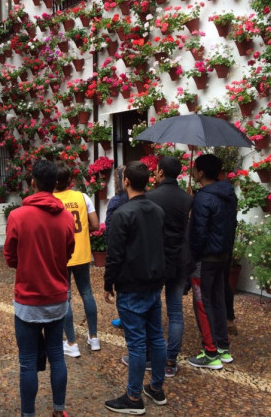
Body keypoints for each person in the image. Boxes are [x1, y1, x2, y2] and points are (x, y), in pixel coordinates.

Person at [4, 160, 75, 417]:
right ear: (56, 184)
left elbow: (10, 257)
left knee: (27, 363)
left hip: (27, 299)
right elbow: (69, 252)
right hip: (57, 296)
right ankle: (58, 410)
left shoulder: (17, 216)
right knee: (57, 355)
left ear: (32, 182)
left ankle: (28, 414)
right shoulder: (66, 217)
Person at [104, 161, 167, 414]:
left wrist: (108, 283)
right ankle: (156, 388)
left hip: (132, 285)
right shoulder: (157, 209)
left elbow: (115, 254)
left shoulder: (123, 213)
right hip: (154, 282)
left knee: (138, 344)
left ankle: (132, 398)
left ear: (126, 181)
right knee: (156, 337)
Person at [188, 154, 238, 370]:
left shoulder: (203, 198)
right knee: (217, 299)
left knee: (202, 302)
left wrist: (192, 256)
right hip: (223, 256)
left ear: (200, 172)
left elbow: (199, 233)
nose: (192, 171)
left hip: (205, 259)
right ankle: (222, 347)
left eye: (194, 168)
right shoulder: (228, 192)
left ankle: (210, 353)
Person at [145, 156, 193, 377]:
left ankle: (148, 355)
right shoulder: (187, 198)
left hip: (158, 258)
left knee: (151, 307)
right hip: (180, 258)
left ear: (161, 172)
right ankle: (170, 361)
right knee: (175, 311)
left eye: (156, 170)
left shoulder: (150, 197)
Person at [53, 162, 100, 357]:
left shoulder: (51, 200)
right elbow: (95, 224)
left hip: (61, 255)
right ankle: (94, 337)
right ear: (70, 180)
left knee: (66, 297)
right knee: (87, 292)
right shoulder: (83, 197)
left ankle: (71, 343)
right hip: (81, 253)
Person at [105, 165, 127, 329]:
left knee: (121, 287)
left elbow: (109, 227)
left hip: (120, 250)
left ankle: (124, 318)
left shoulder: (116, 201)